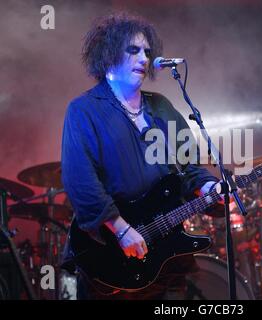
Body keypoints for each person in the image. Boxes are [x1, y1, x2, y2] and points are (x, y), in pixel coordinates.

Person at [60, 13, 223, 299]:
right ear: (108, 54)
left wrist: (208, 186)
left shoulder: (160, 106)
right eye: (133, 50)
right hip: (109, 253)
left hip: (165, 250)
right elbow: (80, 180)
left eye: (147, 51)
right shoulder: (84, 110)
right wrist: (121, 229)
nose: (144, 58)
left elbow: (189, 165)